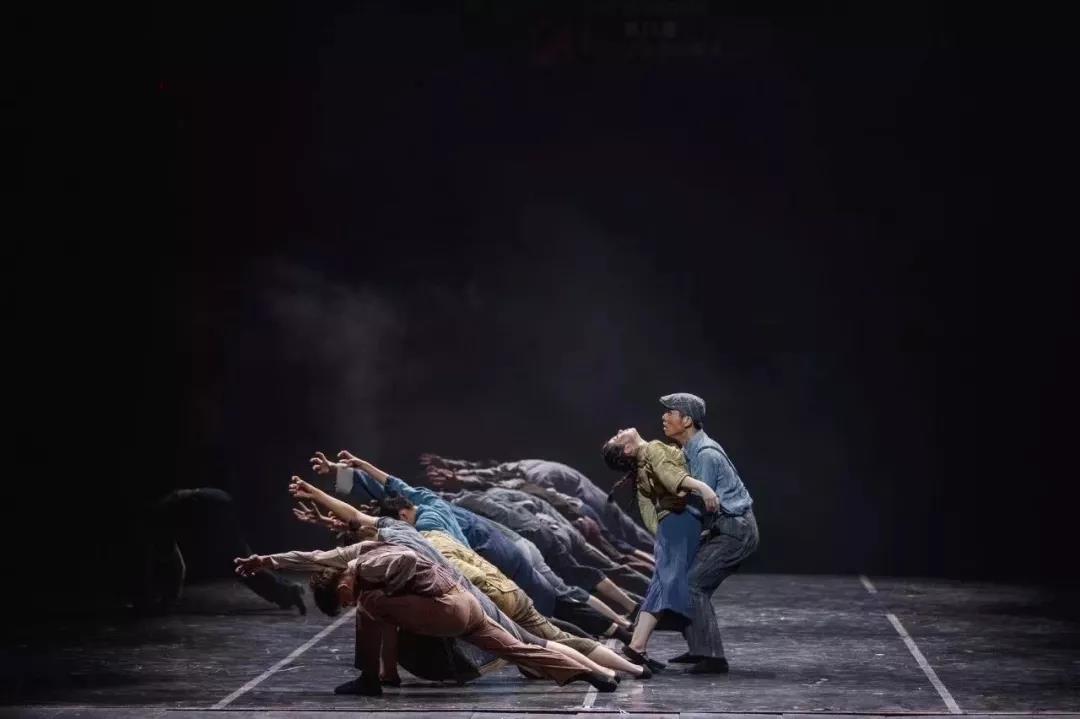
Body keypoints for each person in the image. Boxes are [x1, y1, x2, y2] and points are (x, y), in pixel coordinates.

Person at [234, 540, 618, 696]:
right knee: (518, 649)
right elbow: (310, 557)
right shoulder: (351, 556)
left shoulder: (366, 566)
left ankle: (371, 679)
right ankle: (590, 675)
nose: (349, 603)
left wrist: (390, 589)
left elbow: (403, 560)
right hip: (466, 607)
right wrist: (267, 560)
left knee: (371, 604)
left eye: (343, 598)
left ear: (343, 582)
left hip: (447, 608)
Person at [601, 427, 720, 673]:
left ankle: (638, 646)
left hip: (674, 525)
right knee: (667, 585)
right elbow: (673, 478)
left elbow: (648, 513)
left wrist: (663, 531)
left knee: (664, 583)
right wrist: (704, 488)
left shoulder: (643, 466)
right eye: (617, 437)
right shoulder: (653, 449)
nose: (620, 431)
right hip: (680, 523)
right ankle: (637, 646)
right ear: (628, 449)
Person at [657, 392, 760, 674]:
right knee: (686, 583)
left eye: (670, 412)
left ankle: (713, 658)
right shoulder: (692, 449)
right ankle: (700, 648)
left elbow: (705, 504)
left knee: (692, 585)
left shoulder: (705, 454)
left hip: (734, 531)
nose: (664, 417)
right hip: (725, 527)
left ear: (686, 420)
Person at [422, 454, 655, 554]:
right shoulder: (511, 469)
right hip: (566, 486)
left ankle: (658, 551)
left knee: (621, 528)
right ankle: (657, 550)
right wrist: (452, 467)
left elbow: (488, 477)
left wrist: (458, 477)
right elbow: (487, 471)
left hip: (569, 489)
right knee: (621, 530)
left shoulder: (530, 478)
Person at [138, 487, 305, 614]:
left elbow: (176, 566)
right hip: (214, 500)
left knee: (238, 563)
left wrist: (168, 600)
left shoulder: (159, 522)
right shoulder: (161, 515)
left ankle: (287, 592)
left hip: (211, 508)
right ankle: (285, 591)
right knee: (240, 560)